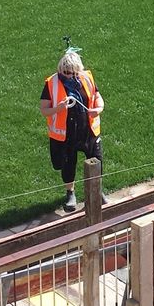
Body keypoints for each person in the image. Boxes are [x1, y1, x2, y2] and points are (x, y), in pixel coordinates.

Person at [39, 49, 104, 211]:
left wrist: (99, 108)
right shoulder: (51, 83)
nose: (69, 76)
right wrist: (58, 108)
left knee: (97, 160)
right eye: (66, 72)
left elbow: (97, 96)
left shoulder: (86, 77)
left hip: (87, 129)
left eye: (73, 73)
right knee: (68, 164)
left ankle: (97, 191)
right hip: (66, 133)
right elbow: (44, 110)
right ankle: (70, 193)